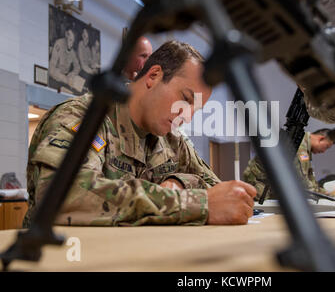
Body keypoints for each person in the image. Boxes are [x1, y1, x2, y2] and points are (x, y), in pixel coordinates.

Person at [24, 40, 256, 228]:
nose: (187, 116)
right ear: (153, 76)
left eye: (196, 110)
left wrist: (179, 183)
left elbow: (221, 194)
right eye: (185, 100)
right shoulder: (85, 118)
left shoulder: (172, 140)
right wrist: (195, 204)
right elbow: (61, 197)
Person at [243, 129, 335, 200]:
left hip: (268, 184)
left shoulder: (305, 146)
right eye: (326, 147)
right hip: (260, 185)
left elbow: (309, 177)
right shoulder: (299, 144)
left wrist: (324, 193)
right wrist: (323, 196)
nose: (323, 151)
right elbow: (301, 179)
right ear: (321, 138)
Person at [49, 27, 85, 94]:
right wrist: (65, 79)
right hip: (55, 78)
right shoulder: (59, 44)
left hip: (66, 80)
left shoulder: (72, 52)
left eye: (73, 42)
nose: (71, 44)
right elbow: (51, 69)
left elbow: (77, 67)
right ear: (66, 35)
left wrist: (72, 74)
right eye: (70, 40)